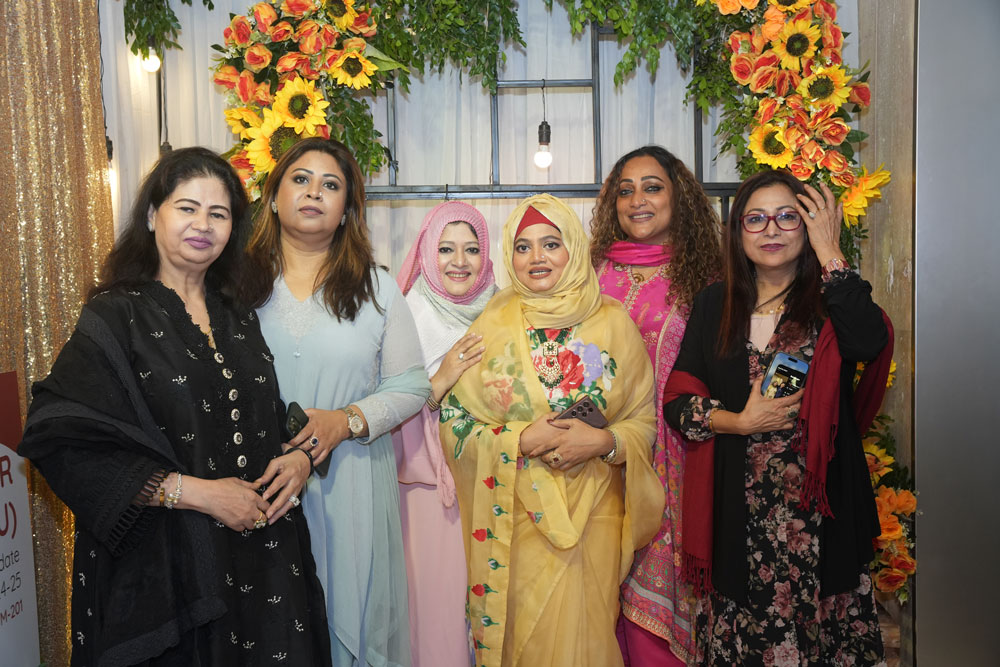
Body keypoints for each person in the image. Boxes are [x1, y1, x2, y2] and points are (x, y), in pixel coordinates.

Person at [19, 147, 331, 666]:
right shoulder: (115, 317)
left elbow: (260, 416)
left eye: (218, 213)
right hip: (169, 573)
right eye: (187, 208)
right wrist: (199, 494)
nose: (202, 225)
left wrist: (300, 459)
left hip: (264, 563)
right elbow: (59, 438)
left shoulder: (238, 315)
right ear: (152, 215)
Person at [663, 170, 891, 664]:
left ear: (809, 227)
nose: (771, 230)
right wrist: (739, 422)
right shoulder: (715, 304)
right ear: (738, 231)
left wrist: (830, 252)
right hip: (738, 514)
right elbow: (677, 401)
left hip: (821, 513)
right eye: (756, 219)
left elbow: (868, 342)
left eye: (788, 217)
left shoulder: (832, 302)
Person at [439, 194, 666, 667]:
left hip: (595, 514)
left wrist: (605, 442)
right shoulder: (491, 324)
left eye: (550, 243)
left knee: (586, 640)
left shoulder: (614, 323)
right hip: (515, 517)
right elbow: (456, 420)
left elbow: (644, 420)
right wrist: (519, 441)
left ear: (574, 249)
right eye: (522, 247)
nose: (536, 257)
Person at [243, 137, 430, 667]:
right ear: (273, 197)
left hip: (348, 481)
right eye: (300, 179)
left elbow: (412, 385)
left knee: (345, 623)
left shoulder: (377, 289)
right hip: (256, 481)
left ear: (346, 209)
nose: (313, 193)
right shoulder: (233, 285)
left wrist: (346, 421)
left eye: (330, 185)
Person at [590, 145, 722, 665]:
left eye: (652, 187)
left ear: (678, 196)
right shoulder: (590, 274)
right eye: (625, 190)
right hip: (597, 459)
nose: (637, 200)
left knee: (657, 620)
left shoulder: (708, 277)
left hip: (675, 461)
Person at [392, 201, 497, 667]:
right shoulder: (406, 317)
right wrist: (442, 378)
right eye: (445, 249)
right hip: (429, 490)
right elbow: (386, 412)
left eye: (472, 249)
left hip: (493, 483)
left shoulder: (501, 311)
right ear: (427, 253)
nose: (460, 261)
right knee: (439, 618)